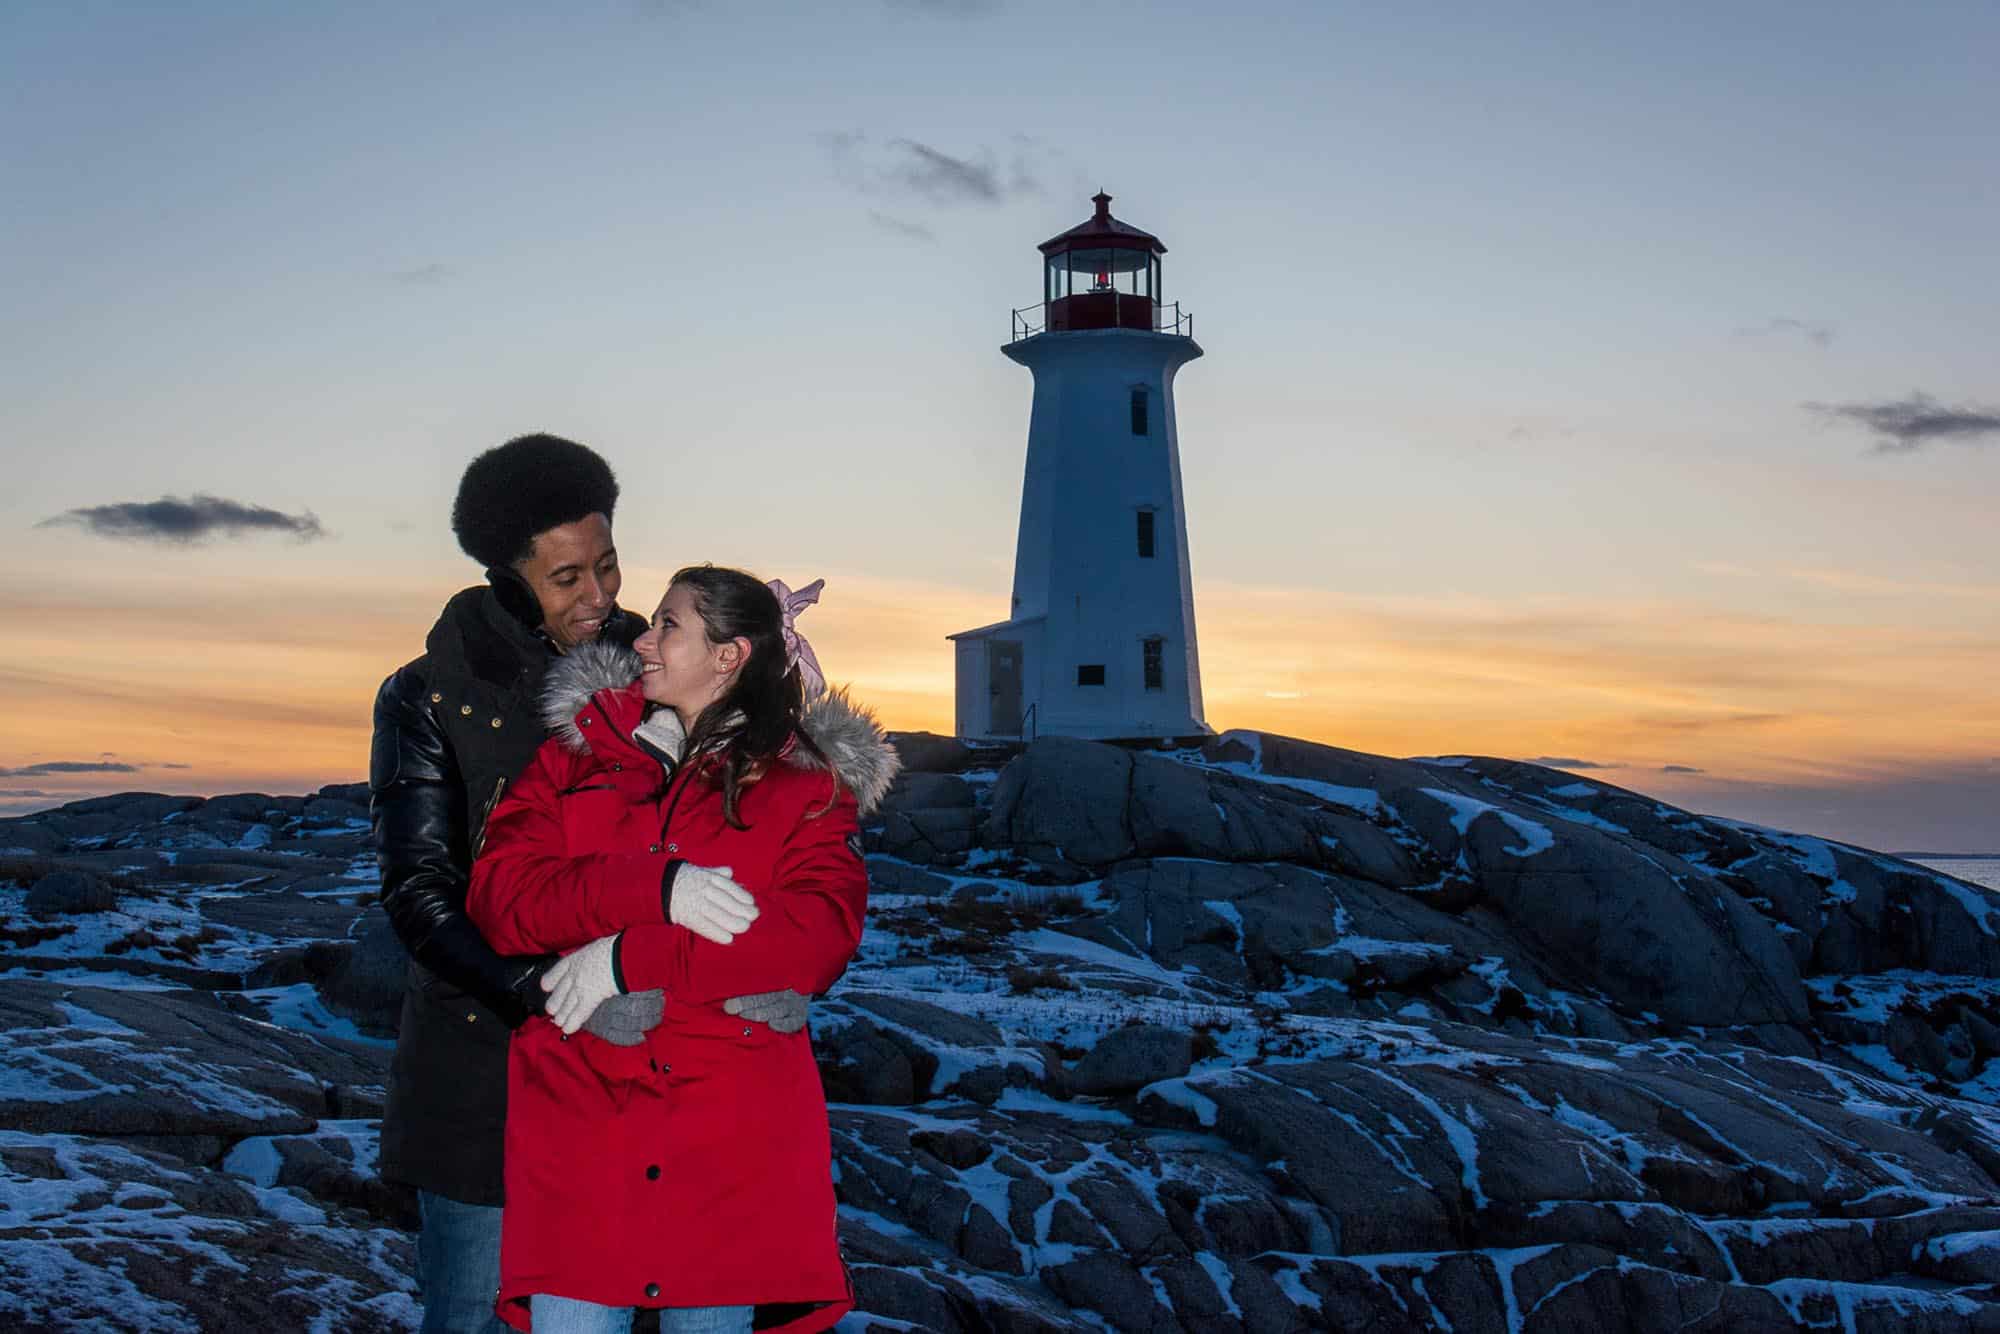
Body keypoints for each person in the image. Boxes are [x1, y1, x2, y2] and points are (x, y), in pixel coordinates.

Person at [369, 439, 808, 1333]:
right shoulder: (425, 696)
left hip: (649, 1071)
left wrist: (791, 967)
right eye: (567, 577)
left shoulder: (666, 665)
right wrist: (540, 995)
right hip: (481, 1072)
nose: (601, 598)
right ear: (509, 573)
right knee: (473, 1318)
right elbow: (419, 892)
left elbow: (762, 831)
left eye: (607, 565)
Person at [466, 566, 898, 1334]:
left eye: (669, 624)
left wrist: (622, 960)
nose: (642, 639)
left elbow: (814, 939)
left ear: (729, 655)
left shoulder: (805, 784)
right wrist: (653, 889)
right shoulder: (574, 757)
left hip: (728, 1143)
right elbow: (503, 900)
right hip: (583, 1125)